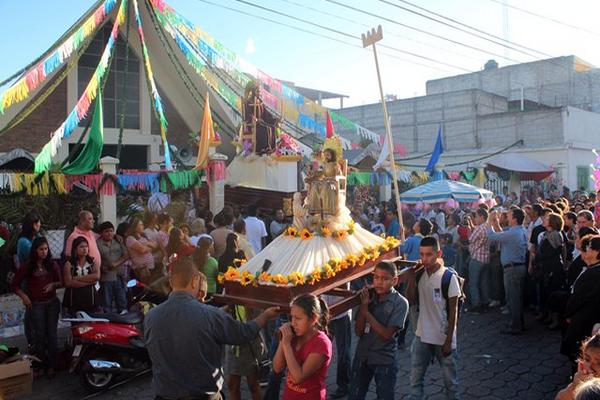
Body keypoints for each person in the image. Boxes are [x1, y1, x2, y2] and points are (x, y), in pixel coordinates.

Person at [144, 258, 279, 399]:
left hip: (165, 395)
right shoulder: (209, 314)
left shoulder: (151, 316)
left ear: (171, 283)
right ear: (195, 281)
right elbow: (243, 333)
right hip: (202, 395)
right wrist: (266, 315)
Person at [406, 236, 461, 400]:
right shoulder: (419, 274)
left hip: (442, 338)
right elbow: (411, 299)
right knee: (415, 382)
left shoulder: (448, 277)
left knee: (450, 384)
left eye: (429, 254)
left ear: (438, 253)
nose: (424, 259)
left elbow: (454, 312)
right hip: (421, 336)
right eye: (421, 254)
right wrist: (410, 278)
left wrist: (448, 341)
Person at [348, 261, 409, 400]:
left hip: (384, 359)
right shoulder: (368, 296)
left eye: (385, 279)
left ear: (394, 280)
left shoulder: (400, 303)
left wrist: (366, 312)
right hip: (362, 356)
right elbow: (358, 332)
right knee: (355, 395)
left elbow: (387, 335)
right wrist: (364, 307)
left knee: (385, 396)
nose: (379, 282)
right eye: (376, 278)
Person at [11, 237, 62, 378]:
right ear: (35, 250)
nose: (44, 252)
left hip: (52, 304)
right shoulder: (27, 266)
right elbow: (14, 285)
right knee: (39, 336)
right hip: (36, 305)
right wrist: (24, 297)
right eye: (41, 249)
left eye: (46, 249)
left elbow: (62, 281)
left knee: (52, 335)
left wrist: (53, 285)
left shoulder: (52, 264)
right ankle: (41, 366)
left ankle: (52, 366)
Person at [273, 294, 333, 400]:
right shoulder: (293, 336)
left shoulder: (322, 344)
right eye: (291, 317)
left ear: (314, 318)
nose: (293, 323)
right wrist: (283, 341)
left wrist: (286, 345)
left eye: (298, 318)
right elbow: (277, 368)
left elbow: (298, 377)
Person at [487, 208, 528, 335]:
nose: (507, 217)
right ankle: (517, 323)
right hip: (517, 267)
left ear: (515, 219)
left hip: (512, 269)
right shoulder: (519, 230)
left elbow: (492, 236)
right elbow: (501, 234)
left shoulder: (513, 233)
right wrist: (495, 222)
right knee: (516, 298)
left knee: (513, 299)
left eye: (509, 216)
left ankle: (514, 326)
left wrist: (489, 221)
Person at [562, 235, 600, 369]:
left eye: (589, 247)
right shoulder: (591, 269)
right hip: (581, 316)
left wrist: (569, 314)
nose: (586, 249)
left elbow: (581, 297)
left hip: (584, 319)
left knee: (578, 351)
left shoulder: (595, 273)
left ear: (597, 252)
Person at [63, 236, 101, 316]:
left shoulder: (92, 262)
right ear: (75, 249)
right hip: (74, 300)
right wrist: (89, 282)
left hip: (90, 299)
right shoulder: (69, 264)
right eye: (81, 247)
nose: (84, 249)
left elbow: (96, 276)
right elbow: (69, 283)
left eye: (86, 246)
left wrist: (77, 278)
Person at [97, 222, 128, 313]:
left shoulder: (118, 241)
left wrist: (116, 263)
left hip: (119, 275)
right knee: (107, 303)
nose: (109, 233)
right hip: (106, 277)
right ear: (101, 233)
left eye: (111, 231)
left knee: (122, 300)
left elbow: (126, 255)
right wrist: (102, 267)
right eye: (106, 231)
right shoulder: (97, 244)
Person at [556, 333, 600, 400]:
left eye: (599, 363)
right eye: (587, 359)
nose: (589, 366)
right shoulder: (580, 380)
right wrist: (574, 386)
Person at [467, 208, 490, 313]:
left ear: (482, 217)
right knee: (484, 282)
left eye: (476, 216)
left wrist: (468, 231)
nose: (475, 219)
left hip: (477, 257)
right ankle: (485, 302)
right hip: (486, 258)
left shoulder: (480, 228)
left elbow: (470, 239)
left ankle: (476, 305)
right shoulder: (488, 227)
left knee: (473, 283)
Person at [125, 218, 160, 286]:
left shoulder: (143, 237)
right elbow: (142, 250)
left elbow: (155, 245)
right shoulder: (130, 238)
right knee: (145, 288)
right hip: (141, 269)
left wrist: (145, 244)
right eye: (141, 224)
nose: (143, 226)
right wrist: (148, 245)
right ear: (135, 227)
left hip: (150, 267)